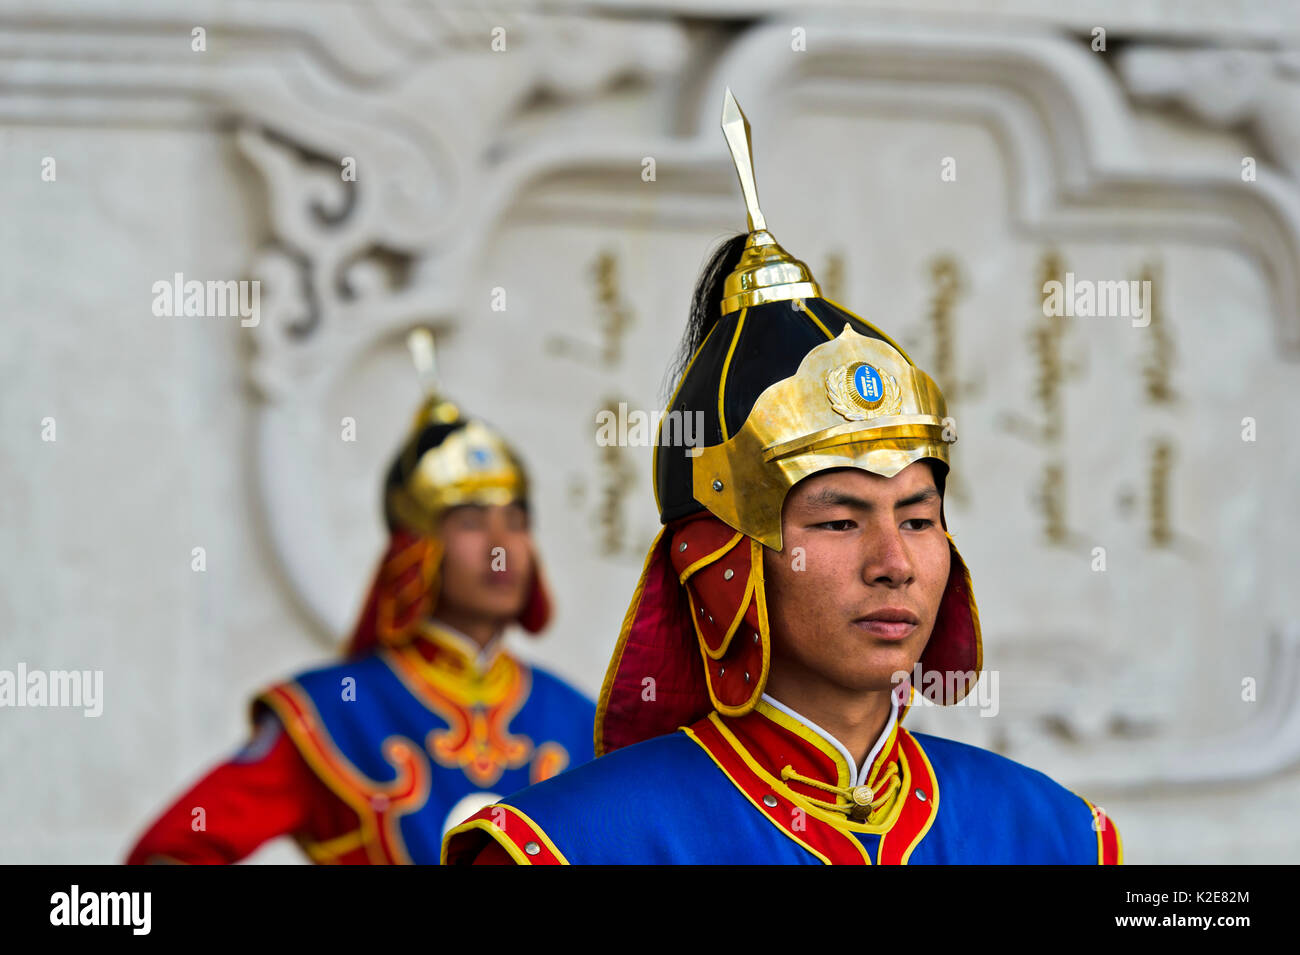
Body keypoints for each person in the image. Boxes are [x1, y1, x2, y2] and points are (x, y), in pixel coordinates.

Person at [442, 90, 1122, 865]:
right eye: (838, 519)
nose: (893, 561)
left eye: (917, 516)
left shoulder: (1051, 834)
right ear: (719, 562)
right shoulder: (575, 844)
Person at [127, 330, 594, 864]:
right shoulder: (331, 714)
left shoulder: (577, 719)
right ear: (415, 551)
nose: (501, 546)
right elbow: (169, 852)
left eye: (516, 522)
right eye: (469, 522)